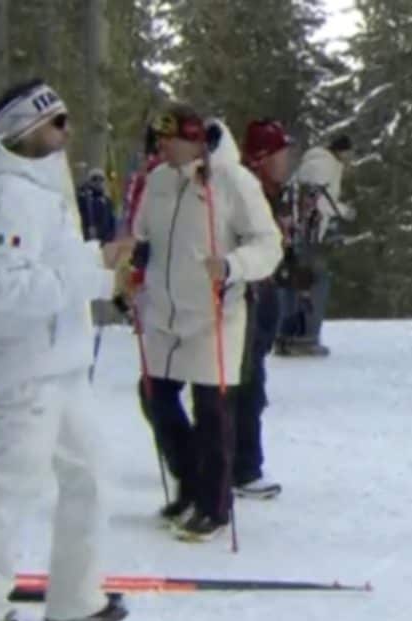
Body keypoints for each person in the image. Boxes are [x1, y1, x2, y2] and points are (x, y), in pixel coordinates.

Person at [0, 78, 135, 621]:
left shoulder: (42, 185)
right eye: (57, 122)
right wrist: (93, 274)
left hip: (62, 361)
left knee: (92, 475)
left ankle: (76, 597)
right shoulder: (7, 193)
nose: (67, 131)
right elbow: (4, 287)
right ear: (27, 130)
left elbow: (52, 263)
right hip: (27, 367)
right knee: (10, 487)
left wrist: (100, 264)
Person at [125, 104, 283, 542]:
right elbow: (143, 235)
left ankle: (214, 505)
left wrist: (233, 265)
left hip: (216, 311)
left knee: (213, 408)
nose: (163, 147)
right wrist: (134, 261)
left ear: (196, 140)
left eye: (171, 138)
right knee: (154, 394)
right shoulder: (156, 181)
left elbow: (269, 244)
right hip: (163, 311)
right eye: (159, 138)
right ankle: (190, 480)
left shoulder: (233, 182)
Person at [232, 118, 296, 500]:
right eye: (280, 153)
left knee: (251, 378)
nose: (286, 161)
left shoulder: (273, 192)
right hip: (248, 296)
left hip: (264, 294)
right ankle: (242, 466)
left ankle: (238, 462)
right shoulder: (247, 190)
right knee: (245, 383)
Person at [275, 133, 354, 357]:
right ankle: (305, 337)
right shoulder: (324, 165)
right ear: (341, 151)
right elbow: (316, 200)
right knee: (314, 282)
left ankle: (286, 335)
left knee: (296, 282)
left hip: (296, 234)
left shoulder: (313, 162)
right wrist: (343, 211)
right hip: (307, 234)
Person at [77, 167, 116, 244]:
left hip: (103, 242)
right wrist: (86, 232)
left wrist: (108, 238)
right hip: (87, 242)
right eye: (94, 179)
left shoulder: (107, 201)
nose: (98, 182)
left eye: (101, 179)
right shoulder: (83, 200)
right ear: (89, 181)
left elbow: (111, 223)